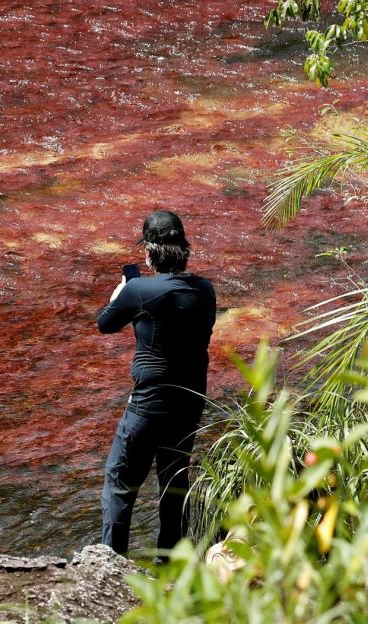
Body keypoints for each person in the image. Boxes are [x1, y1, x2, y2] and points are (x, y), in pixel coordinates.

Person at [97, 210, 216, 558]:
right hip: (191, 401)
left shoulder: (138, 289)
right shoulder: (205, 290)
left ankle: (110, 568)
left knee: (119, 484)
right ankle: (171, 565)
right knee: (174, 484)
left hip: (149, 403)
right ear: (184, 248)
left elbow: (105, 324)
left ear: (149, 253)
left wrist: (121, 294)